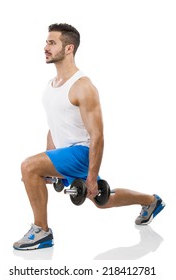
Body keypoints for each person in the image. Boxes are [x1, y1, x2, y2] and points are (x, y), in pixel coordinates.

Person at [13, 23, 165, 250]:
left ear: (68, 48)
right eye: (46, 42)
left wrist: (91, 176)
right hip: (68, 153)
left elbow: (98, 136)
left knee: (28, 166)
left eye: (52, 43)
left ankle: (42, 232)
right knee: (103, 200)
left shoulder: (82, 86)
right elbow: (54, 127)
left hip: (83, 152)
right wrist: (48, 162)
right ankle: (151, 201)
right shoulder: (52, 85)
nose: (45, 47)